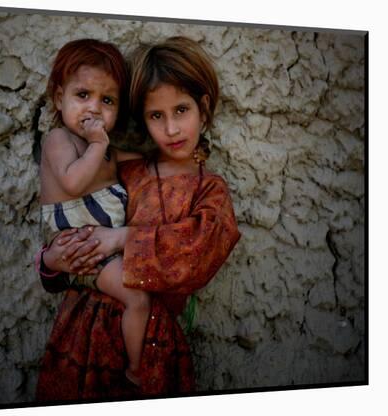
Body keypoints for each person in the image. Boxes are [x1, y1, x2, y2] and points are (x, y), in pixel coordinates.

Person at [35, 36, 241, 401]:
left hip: (150, 342)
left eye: (182, 110)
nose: (172, 129)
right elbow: (70, 232)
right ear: (142, 119)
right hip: (82, 333)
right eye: (156, 116)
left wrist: (122, 238)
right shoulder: (124, 171)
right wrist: (51, 261)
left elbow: (199, 252)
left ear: (204, 108)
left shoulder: (208, 191)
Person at [37, 38, 149, 386]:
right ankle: (136, 369)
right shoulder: (59, 140)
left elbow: (149, 162)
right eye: (82, 95)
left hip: (99, 252)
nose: (94, 108)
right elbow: (71, 182)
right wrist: (99, 143)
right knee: (138, 298)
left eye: (107, 100)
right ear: (59, 99)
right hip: (81, 252)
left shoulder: (108, 151)